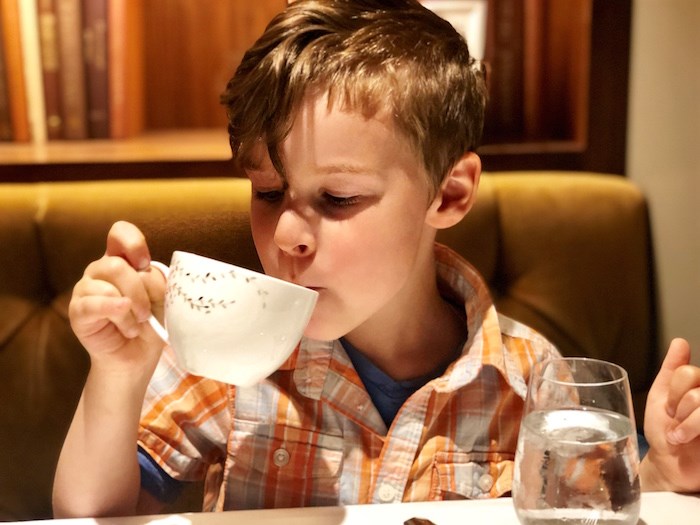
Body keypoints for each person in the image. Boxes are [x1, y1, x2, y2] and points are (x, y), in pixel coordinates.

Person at [53, 0, 700, 517]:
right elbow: (92, 513)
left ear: (448, 194)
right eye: (269, 192)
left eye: (337, 197)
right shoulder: (225, 353)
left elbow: (582, 509)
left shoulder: (528, 377)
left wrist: (660, 473)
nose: (286, 236)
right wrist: (116, 372)